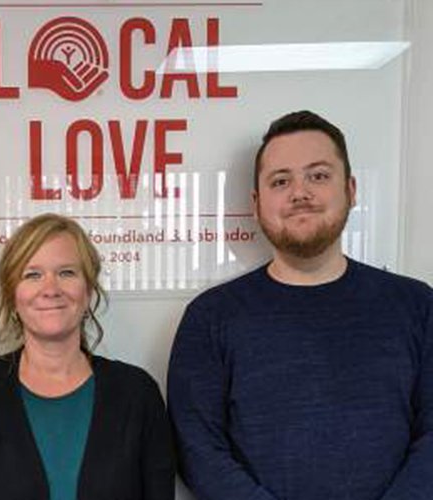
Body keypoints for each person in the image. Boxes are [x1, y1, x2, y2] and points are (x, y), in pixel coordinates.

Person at [167, 110, 433, 500]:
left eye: (319, 176)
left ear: (351, 189)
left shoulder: (417, 306)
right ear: (257, 203)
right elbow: (198, 449)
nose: (300, 193)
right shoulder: (211, 318)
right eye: (281, 181)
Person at [0, 213, 174, 500]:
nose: (50, 289)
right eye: (32, 275)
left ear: (89, 290)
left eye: (67, 273)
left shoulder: (137, 394)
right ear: (12, 296)